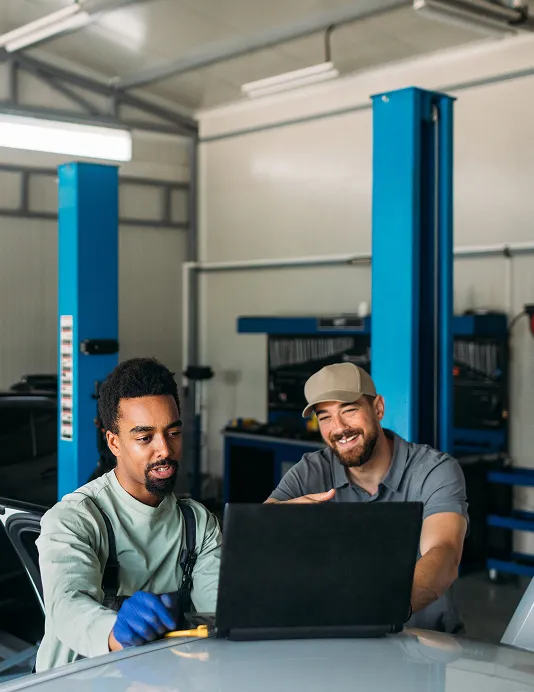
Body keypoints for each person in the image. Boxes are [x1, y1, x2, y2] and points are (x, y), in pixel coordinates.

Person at [35, 358, 221, 672]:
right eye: (144, 438)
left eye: (172, 433)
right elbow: (66, 605)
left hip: (164, 677)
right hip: (75, 681)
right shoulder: (75, 518)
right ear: (114, 442)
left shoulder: (197, 524)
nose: (164, 449)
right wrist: (114, 630)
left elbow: (219, 618)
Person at [266, 362, 468, 634]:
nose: (339, 428)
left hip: (424, 643)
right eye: (324, 417)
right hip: (336, 641)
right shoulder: (311, 471)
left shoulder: (433, 470)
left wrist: (380, 611)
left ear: (378, 409)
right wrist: (278, 521)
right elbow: (258, 535)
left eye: (349, 410)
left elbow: (444, 554)